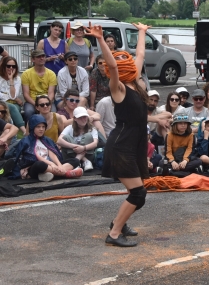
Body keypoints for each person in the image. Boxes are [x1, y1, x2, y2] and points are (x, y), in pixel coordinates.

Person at [86, 21, 150, 248]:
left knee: (138, 194)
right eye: (122, 59)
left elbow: (140, 53)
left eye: (126, 59)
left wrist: (142, 32)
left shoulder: (136, 83)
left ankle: (119, 224)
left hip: (134, 144)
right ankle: (114, 232)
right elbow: (111, 67)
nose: (127, 60)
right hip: (121, 145)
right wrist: (100, 39)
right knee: (138, 194)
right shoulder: (119, 88)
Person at [11, 115, 83, 182]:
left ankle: (50, 174)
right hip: (35, 166)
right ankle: (66, 173)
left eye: (43, 127)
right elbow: (36, 156)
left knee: (75, 160)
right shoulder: (26, 141)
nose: (41, 129)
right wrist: (52, 164)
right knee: (39, 164)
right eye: (38, 127)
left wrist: (59, 165)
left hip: (50, 165)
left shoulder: (47, 140)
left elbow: (52, 153)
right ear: (32, 127)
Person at [57, 106, 99, 172]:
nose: (83, 119)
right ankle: (83, 161)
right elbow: (59, 140)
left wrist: (83, 148)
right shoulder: (70, 127)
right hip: (71, 157)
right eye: (80, 117)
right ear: (75, 119)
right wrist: (74, 146)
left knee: (88, 136)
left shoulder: (92, 129)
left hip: (88, 155)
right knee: (66, 138)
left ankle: (77, 162)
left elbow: (95, 143)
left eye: (85, 117)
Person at [21, 49, 57, 122]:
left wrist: (46, 104)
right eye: (38, 57)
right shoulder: (26, 74)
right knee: (29, 112)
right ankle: (30, 131)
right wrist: (37, 105)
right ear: (33, 59)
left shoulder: (51, 74)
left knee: (53, 113)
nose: (42, 58)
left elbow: (51, 93)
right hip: (32, 101)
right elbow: (26, 94)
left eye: (43, 56)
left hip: (47, 101)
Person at [0, 56, 25, 131]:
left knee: (15, 108)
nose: (11, 68)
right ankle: (23, 130)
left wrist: (11, 80)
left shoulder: (17, 78)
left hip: (13, 102)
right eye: (8, 66)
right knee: (12, 107)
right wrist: (15, 99)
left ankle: (10, 132)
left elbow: (13, 96)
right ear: (4, 66)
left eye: (13, 66)